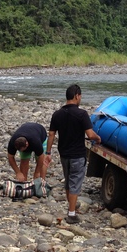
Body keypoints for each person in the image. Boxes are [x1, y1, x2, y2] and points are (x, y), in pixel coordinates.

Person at [46, 84, 101, 224]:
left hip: (64, 154)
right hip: (77, 154)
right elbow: (89, 134)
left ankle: (71, 207)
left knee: (69, 182)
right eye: (80, 96)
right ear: (77, 96)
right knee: (75, 183)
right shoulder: (81, 114)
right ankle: (71, 214)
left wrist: (48, 152)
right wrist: (98, 138)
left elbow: (51, 134)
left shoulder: (57, 114)